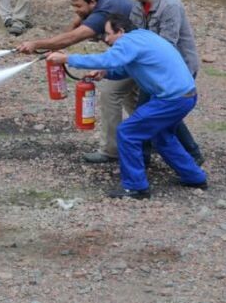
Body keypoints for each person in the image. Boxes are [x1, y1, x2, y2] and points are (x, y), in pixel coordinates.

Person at [48, 14, 207, 199]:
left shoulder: (129, 42)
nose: (106, 39)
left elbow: (108, 59)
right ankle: (195, 177)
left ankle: (136, 187)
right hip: (185, 95)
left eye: (108, 34)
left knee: (127, 132)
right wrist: (105, 73)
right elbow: (125, 68)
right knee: (162, 136)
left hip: (171, 99)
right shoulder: (142, 38)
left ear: (121, 31)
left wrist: (67, 58)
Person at [16, 0, 137, 164]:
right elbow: (76, 27)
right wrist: (57, 45)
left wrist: (37, 44)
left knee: (111, 93)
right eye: (73, 5)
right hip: (135, 52)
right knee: (133, 97)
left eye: (78, 6)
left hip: (134, 54)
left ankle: (111, 151)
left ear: (93, 2)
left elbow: (73, 37)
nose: (75, 10)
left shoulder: (101, 14)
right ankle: (152, 138)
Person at [127, 0, 204, 165]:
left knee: (150, 112)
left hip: (178, 68)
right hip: (153, 69)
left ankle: (146, 158)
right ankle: (187, 154)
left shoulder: (170, 5)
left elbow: (166, 46)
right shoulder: (137, 8)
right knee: (162, 113)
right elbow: (136, 38)